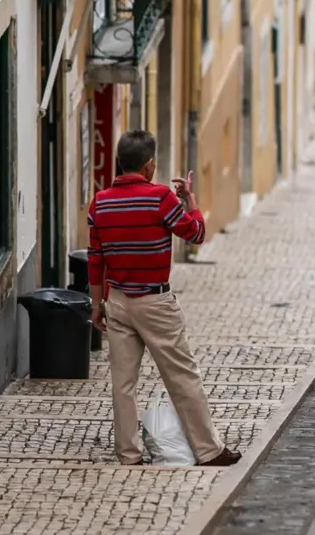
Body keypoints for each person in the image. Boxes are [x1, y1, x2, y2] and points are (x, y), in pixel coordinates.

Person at [88, 131, 242, 466]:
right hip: (156, 303)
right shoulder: (160, 198)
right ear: (149, 166)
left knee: (122, 383)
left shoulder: (99, 203)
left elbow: (95, 258)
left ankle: (128, 454)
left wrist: (96, 304)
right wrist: (190, 201)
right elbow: (196, 234)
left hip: (117, 302)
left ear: (120, 163)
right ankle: (208, 450)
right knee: (182, 375)